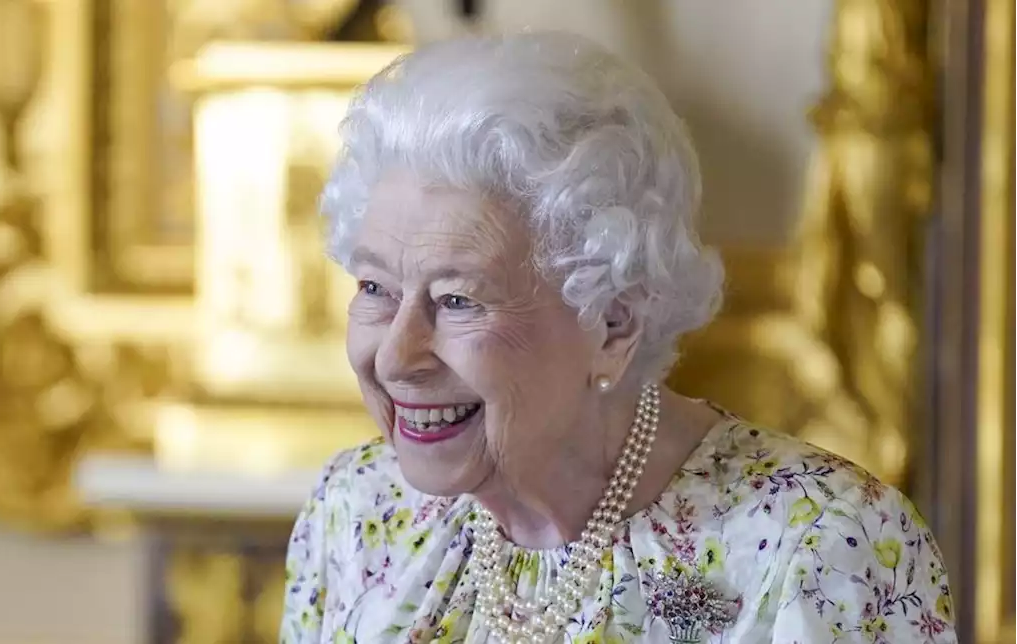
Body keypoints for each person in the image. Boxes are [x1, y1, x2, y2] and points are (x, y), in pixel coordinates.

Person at [279, 32, 955, 643]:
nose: (396, 355)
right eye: (375, 290)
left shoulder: (820, 548)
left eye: (457, 301)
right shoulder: (358, 514)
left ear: (612, 324)